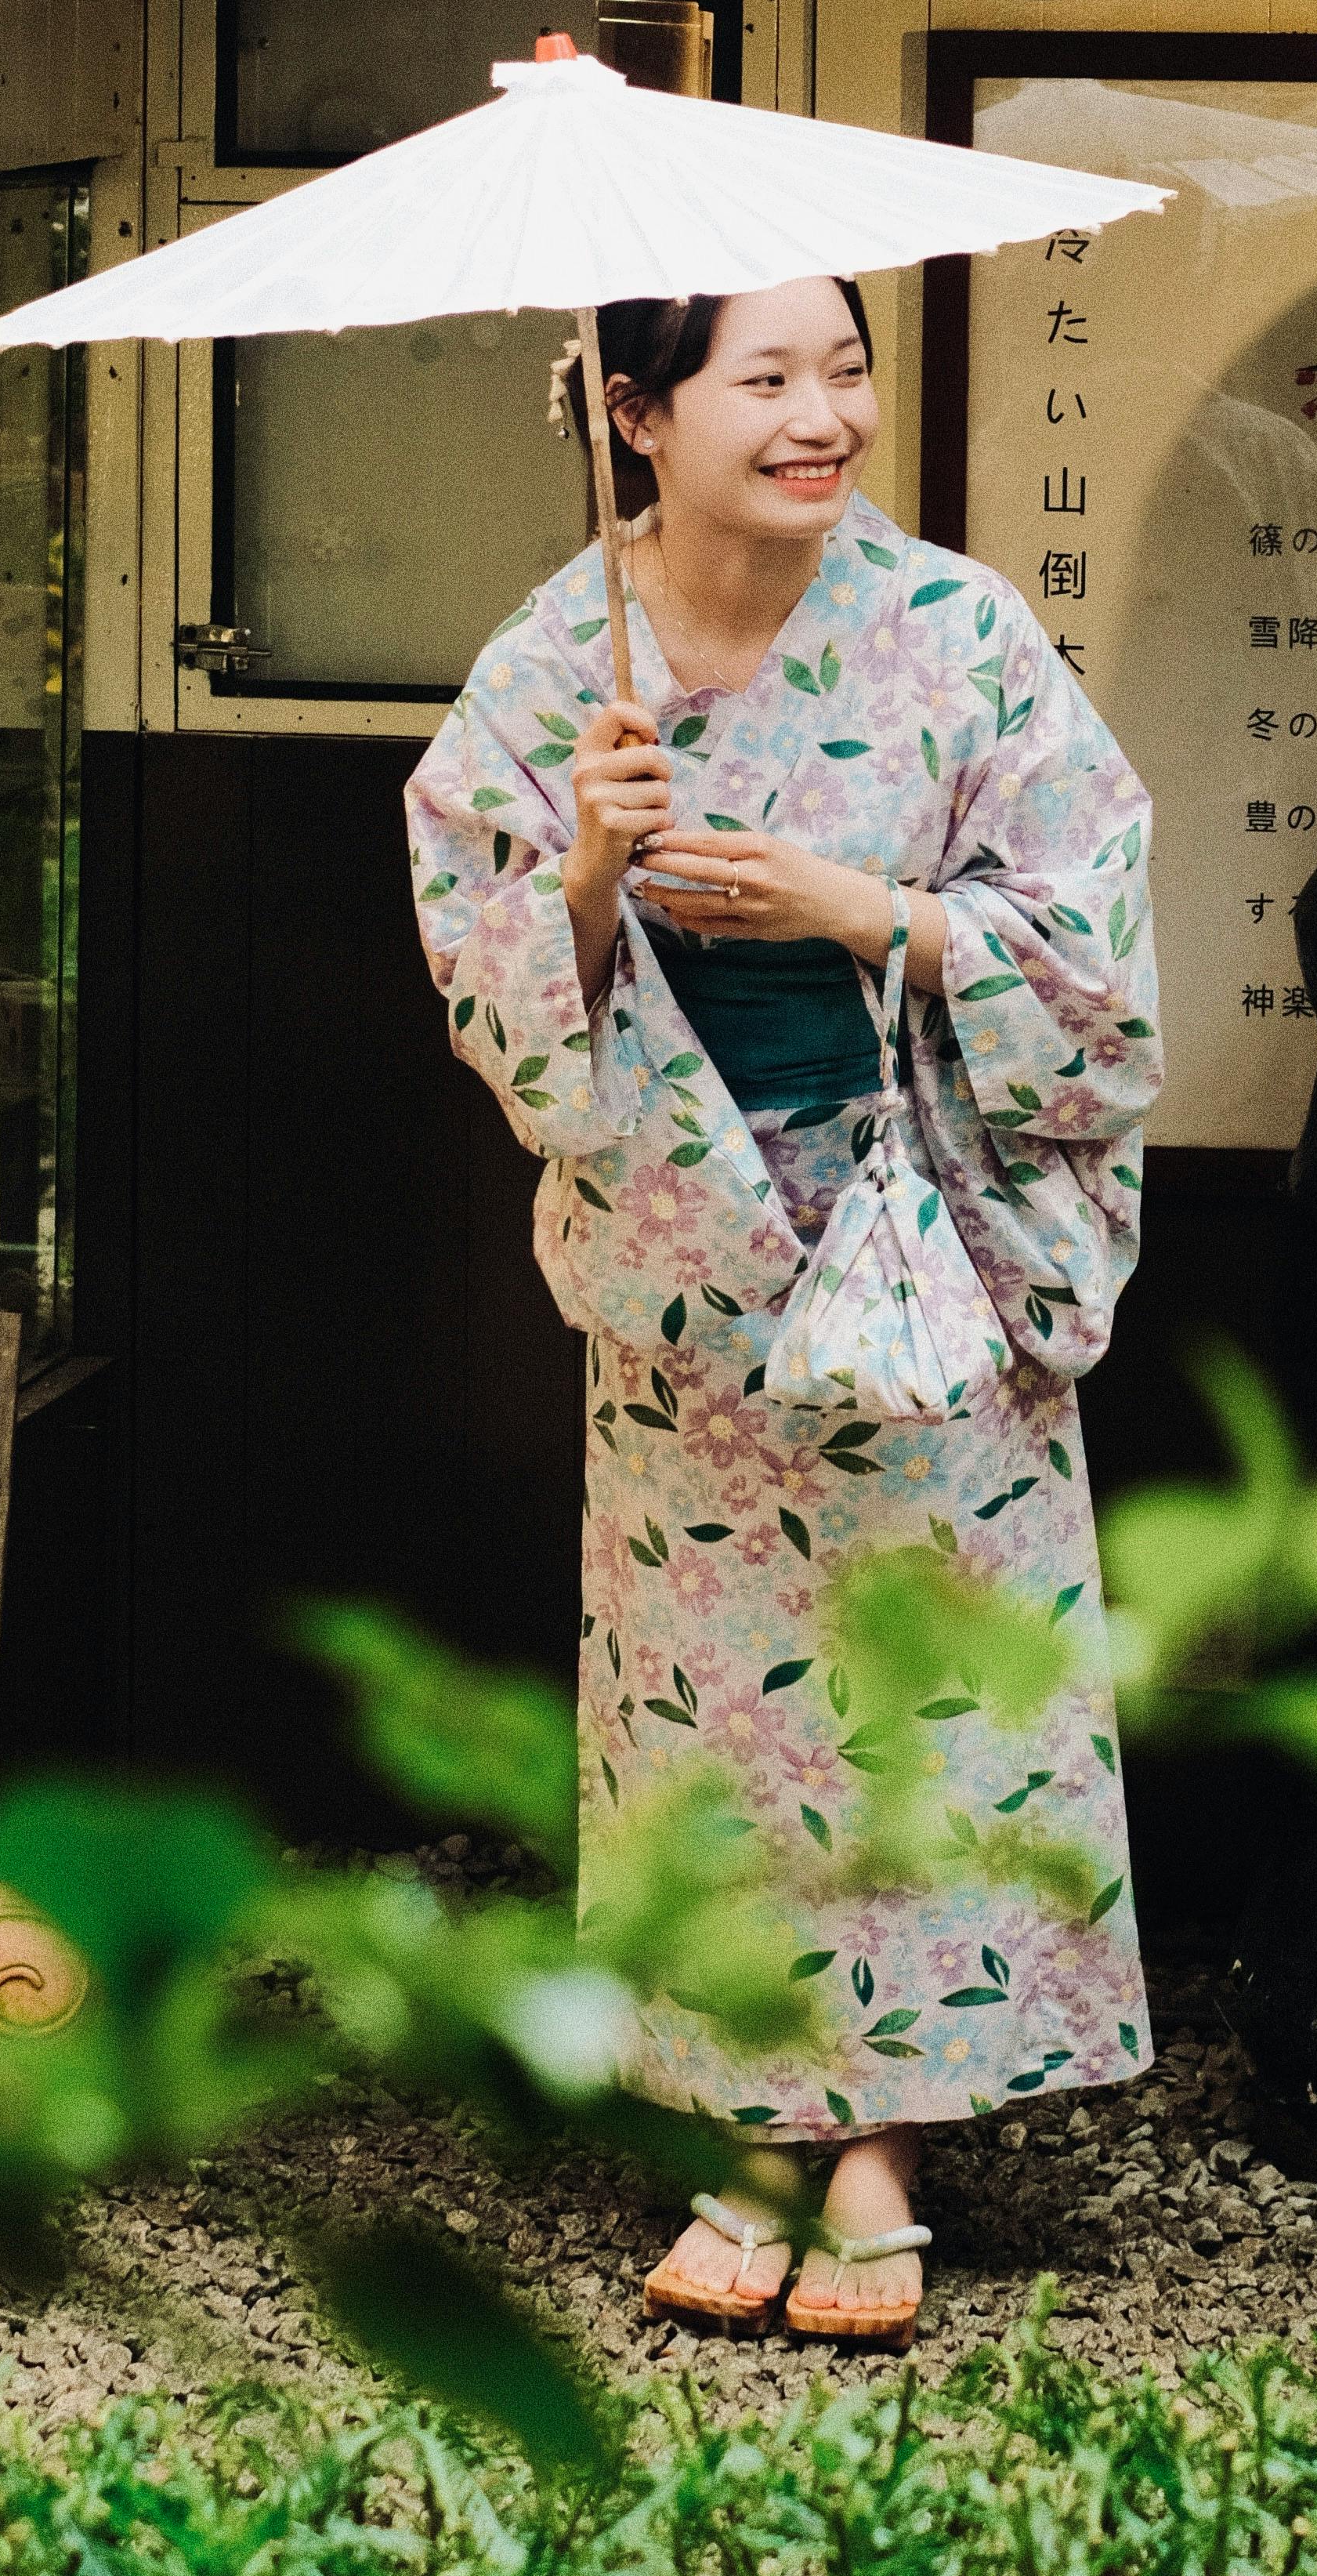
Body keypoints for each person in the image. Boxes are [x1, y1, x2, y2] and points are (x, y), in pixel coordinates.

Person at [407, 276, 1160, 2350]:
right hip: (697, 1249)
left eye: (845, 370)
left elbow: (1091, 939)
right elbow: (496, 985)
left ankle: (882, 2151)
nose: (826, 414)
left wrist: (868, 915)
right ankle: (739, 2121)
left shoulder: (956, 635)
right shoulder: (562, 666)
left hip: (924, 1239)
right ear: (638, 415)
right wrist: (583, 866)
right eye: (770, 379)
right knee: (717, 1708)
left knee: (927, 1701)